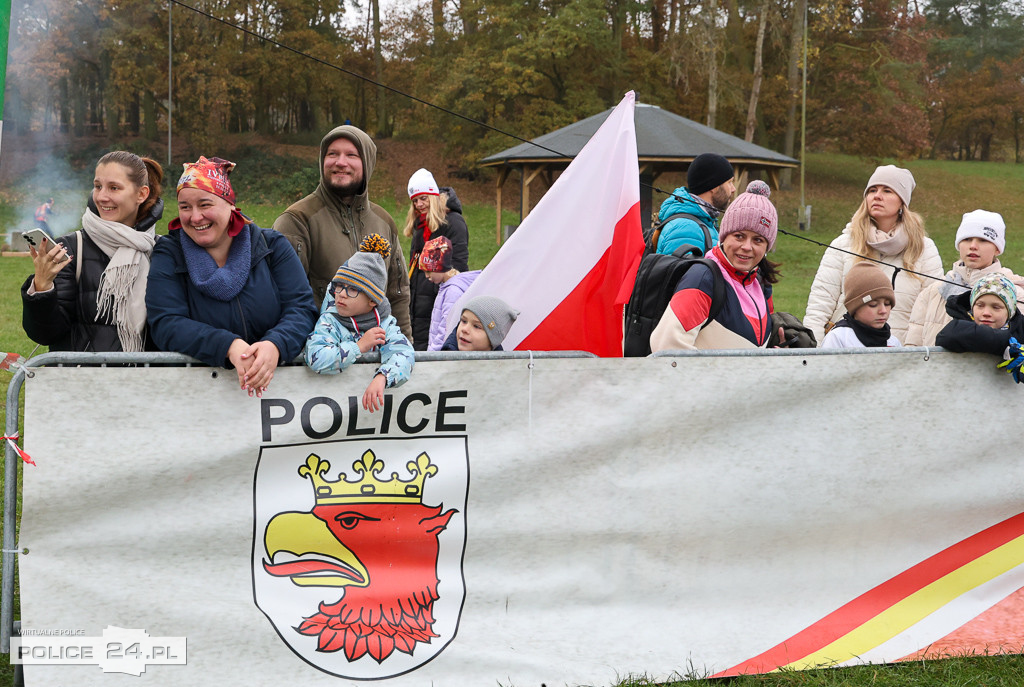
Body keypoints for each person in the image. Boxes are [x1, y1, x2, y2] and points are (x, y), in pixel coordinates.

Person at [147, 156, 318, 397]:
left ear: (229, 204)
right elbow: (166, 323)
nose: (195, 217)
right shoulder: (169, 253)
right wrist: (227, 346)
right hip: (195, 398)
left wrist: (276, 344)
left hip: (279, 398)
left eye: (205, 205)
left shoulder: (271, 246)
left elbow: (301, 308)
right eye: (185, 207)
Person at [272, 125, 412, 338]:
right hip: (319, 358)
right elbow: (284, 299)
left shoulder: (384, 222)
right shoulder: (296, 220)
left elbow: (398, 294)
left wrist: (405, 348)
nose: (340, 162)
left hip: (377, 358)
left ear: (367, 163)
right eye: (332, 154)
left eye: (351, 155)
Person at [22, 151, 164, 352]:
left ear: (141, 194)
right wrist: (42, 288)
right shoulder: (72, 247)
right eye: (98, 186)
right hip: (82, 381)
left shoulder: (162, 251)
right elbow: (46, 334)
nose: (102, 196)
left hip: (146, 381)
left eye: (114, 188)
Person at [804, 165, 943, 345]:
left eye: (887, 190)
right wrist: (812, 352)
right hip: (844, 350)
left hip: (899, 356)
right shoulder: (844, 244)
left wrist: (915, 357)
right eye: (872, 190)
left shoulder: (924, 249)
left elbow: (932, 312)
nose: (877, 196)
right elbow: (820, 304)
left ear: (902, 202)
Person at [650, 181, 780, 351]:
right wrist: (718, 376)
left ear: (766, 247)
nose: (747, 247)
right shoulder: (703, 278)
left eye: (758, 240)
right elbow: (665, 345)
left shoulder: (760, 282)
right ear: (724, 237)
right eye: (739, 236)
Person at [304, 235, 414, 411]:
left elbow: (404, 353)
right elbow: (316, 357)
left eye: (353, 289)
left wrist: (383, 377)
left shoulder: (384, 325)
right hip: (331, 409)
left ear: (372, 300)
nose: (342, 294)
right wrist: (358, 347)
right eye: (339, 286)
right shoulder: (330, 321)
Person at [905, 210, 1024, 346]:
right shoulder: (933, 291)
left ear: (997, 249)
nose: (973, 246)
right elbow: (912, 349)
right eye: (967, 239)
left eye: (983, 240)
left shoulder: (1016, 294)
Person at [404, 168, 470, 351]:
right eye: (415, 200)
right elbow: (414, 268)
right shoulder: (420, 226)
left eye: (423, 198)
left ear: (434, 196)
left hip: (440, 300)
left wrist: (439, 292)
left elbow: (458, 267)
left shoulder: (454, 222)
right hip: (417, 304)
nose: (419, 204)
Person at [936, 274, 1024, 380]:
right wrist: (1007, 344)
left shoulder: (1021, 328)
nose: (986, 313)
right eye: (980, 305)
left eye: (996, 307)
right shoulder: (960, 325)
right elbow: (947, 336)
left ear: (1010, 312)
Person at [654, 153, 735, 256]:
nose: (733, 189)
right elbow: (681, 271)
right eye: (729, 182)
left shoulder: (704, 221)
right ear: (714, 187)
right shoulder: (686, 229)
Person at [419, 236, 480, 351]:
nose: (426, 276)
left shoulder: (452, 291)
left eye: (428, 271)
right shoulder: (445, 287)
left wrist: (432, 353)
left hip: (440, 354)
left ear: (439, 267)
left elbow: (445, 327)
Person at [819, 262, 900, 348]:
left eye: (887, 304)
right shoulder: (838, 338)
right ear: (855, 307)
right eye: (873, 304)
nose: (883, 311)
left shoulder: (893, 342)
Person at [440, 296, 519, 352]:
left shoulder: (502, 370)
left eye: (476, 326)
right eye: (464, 321)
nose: (464, 329)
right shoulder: (443, 363)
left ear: (493, 339)